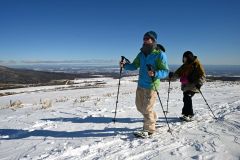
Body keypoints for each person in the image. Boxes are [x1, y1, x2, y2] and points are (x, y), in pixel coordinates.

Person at [120, 31, 169, 136]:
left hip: (151, 85)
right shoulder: (141, 54)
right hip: (141, 84)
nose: (145, 40)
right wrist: (125, 66)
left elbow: (165, 71)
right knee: (139, 107)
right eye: (144, 38)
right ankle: (153, 119)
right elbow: (134, 65)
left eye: (147, 38)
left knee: (146, 109)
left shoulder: (160, 54)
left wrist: (155, 73)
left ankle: (149, 130)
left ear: (153, 40)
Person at [169, 51, 206, 121]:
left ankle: (189, 115)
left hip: (194, 85)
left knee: (187, 97)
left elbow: (203, 75)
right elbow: (178, 73)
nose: (183, 59)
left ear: (188, 57)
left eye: (185, 58)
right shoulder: (185, 65)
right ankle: (185, 114)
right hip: (186, 85)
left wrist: (199, 83)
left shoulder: (196, 64)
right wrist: (172, 76)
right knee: (186, 98)